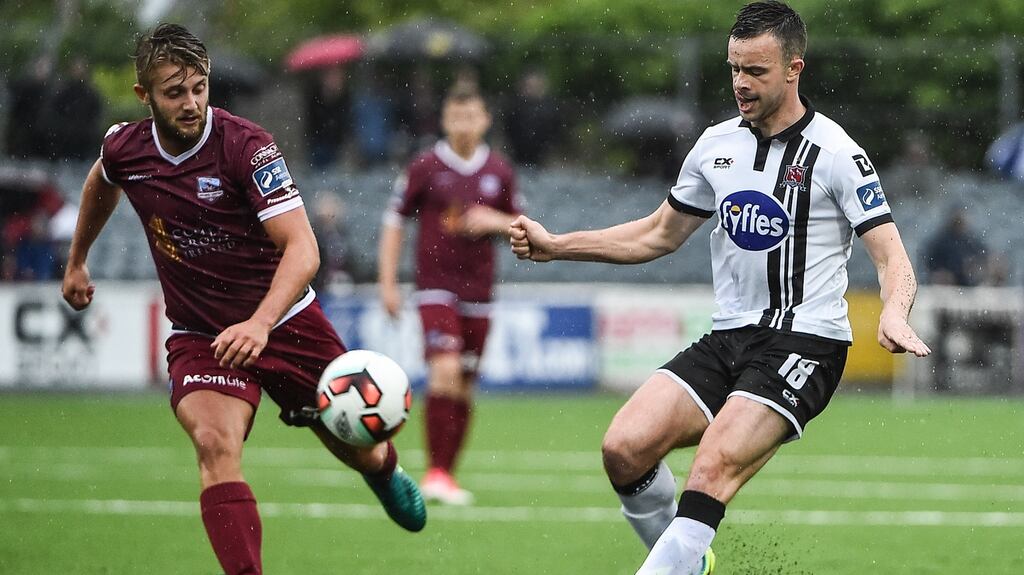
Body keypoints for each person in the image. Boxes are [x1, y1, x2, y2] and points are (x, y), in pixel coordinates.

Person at [510, 2, 931, 573]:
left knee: (710, 468)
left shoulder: (837, 154)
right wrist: (557, 245)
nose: (740, 83)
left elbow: (892, 257)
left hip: (805, 343)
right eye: (734, 68)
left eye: (756, 71)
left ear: (794, 69)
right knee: (624, 449)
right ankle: (690, 561)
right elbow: (657, 234)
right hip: (730, 337)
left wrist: (894, 311)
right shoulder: (715, 145)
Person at [60, 24, 425, 575]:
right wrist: (77, 259)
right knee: (214, 445)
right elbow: (102, 180)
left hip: (286, 322)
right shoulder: (126, 147)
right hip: (202, 336)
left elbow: (303, 249)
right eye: (174, 92)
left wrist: (259, 323)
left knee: (359, 443)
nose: (191, 103)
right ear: (144, 95)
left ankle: (381, 469)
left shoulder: (247, 148)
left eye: (199, 88)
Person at [378, 87, 521, 506]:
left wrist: (495, 220)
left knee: (464, 385)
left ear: (485, 120)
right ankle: (435, 472)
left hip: (480, 291)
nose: (463, 125)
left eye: (470, 117)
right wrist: (388, 282)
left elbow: (521, 224)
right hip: (435, 288)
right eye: (455, 117)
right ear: (444, 120)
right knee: (444, 370)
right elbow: (394, 221)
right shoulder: (424, 166)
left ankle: (447, 474)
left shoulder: (500, 170)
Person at [922, 207, 990, 286]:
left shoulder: (971, 242)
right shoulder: (941, 242)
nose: (959, 224)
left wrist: (977, 268)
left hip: (970, 283)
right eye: (957, 221)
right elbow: (931, 264)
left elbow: (984, 259)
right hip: (948, 285)